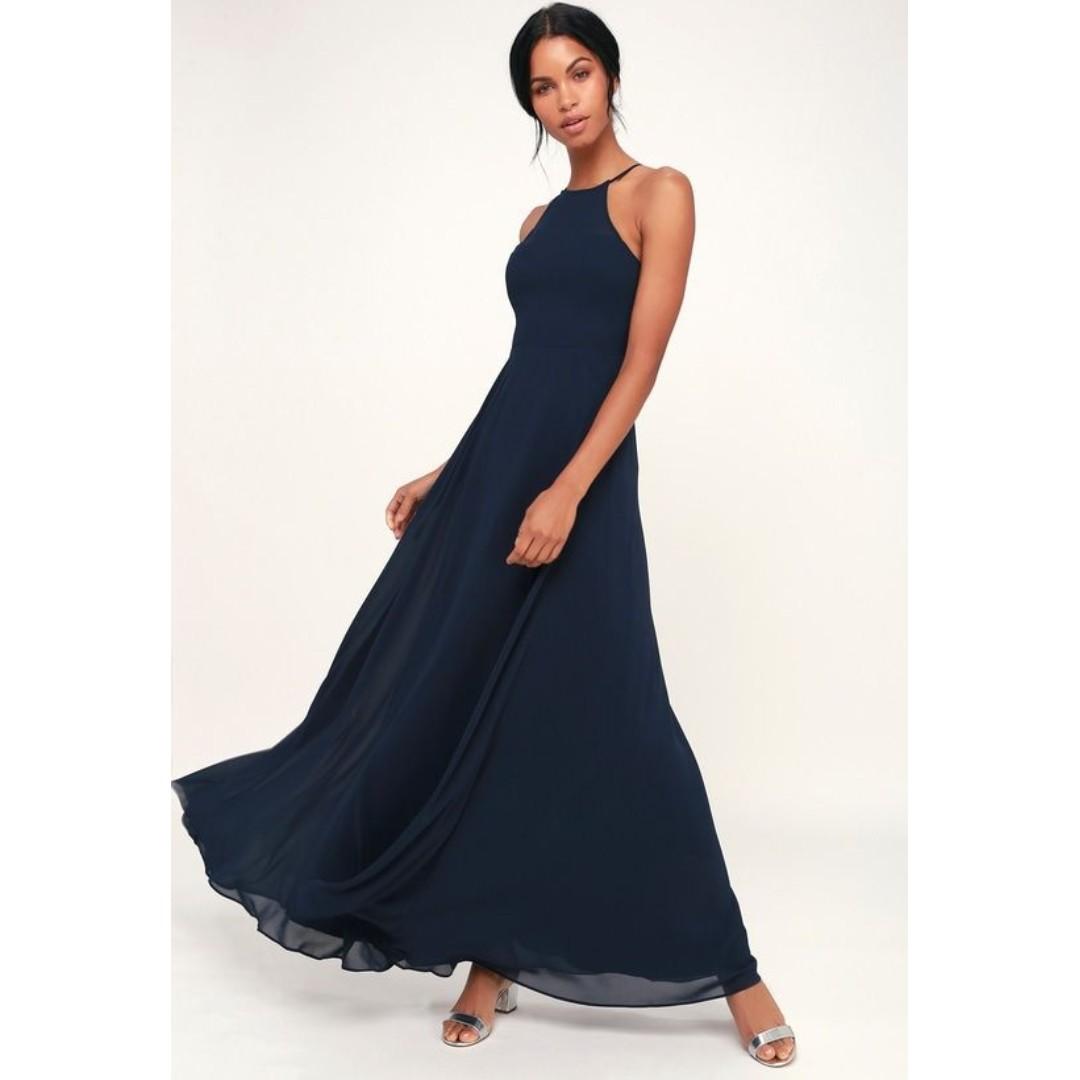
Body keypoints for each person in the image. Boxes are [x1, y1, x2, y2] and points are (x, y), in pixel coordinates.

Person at [172, 2, 796, 1068]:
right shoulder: (538, 223)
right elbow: (528, 373)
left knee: (625, 715)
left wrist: (566, 492)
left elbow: (639, 364)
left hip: (580, 487)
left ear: (610, 76)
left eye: (579, 73)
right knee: (489, 715)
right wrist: (452, 474)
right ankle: (493, 956)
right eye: (543, 86)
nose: (565, 99)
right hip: (501, 482)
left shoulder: (661, 193)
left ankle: (733, 971)